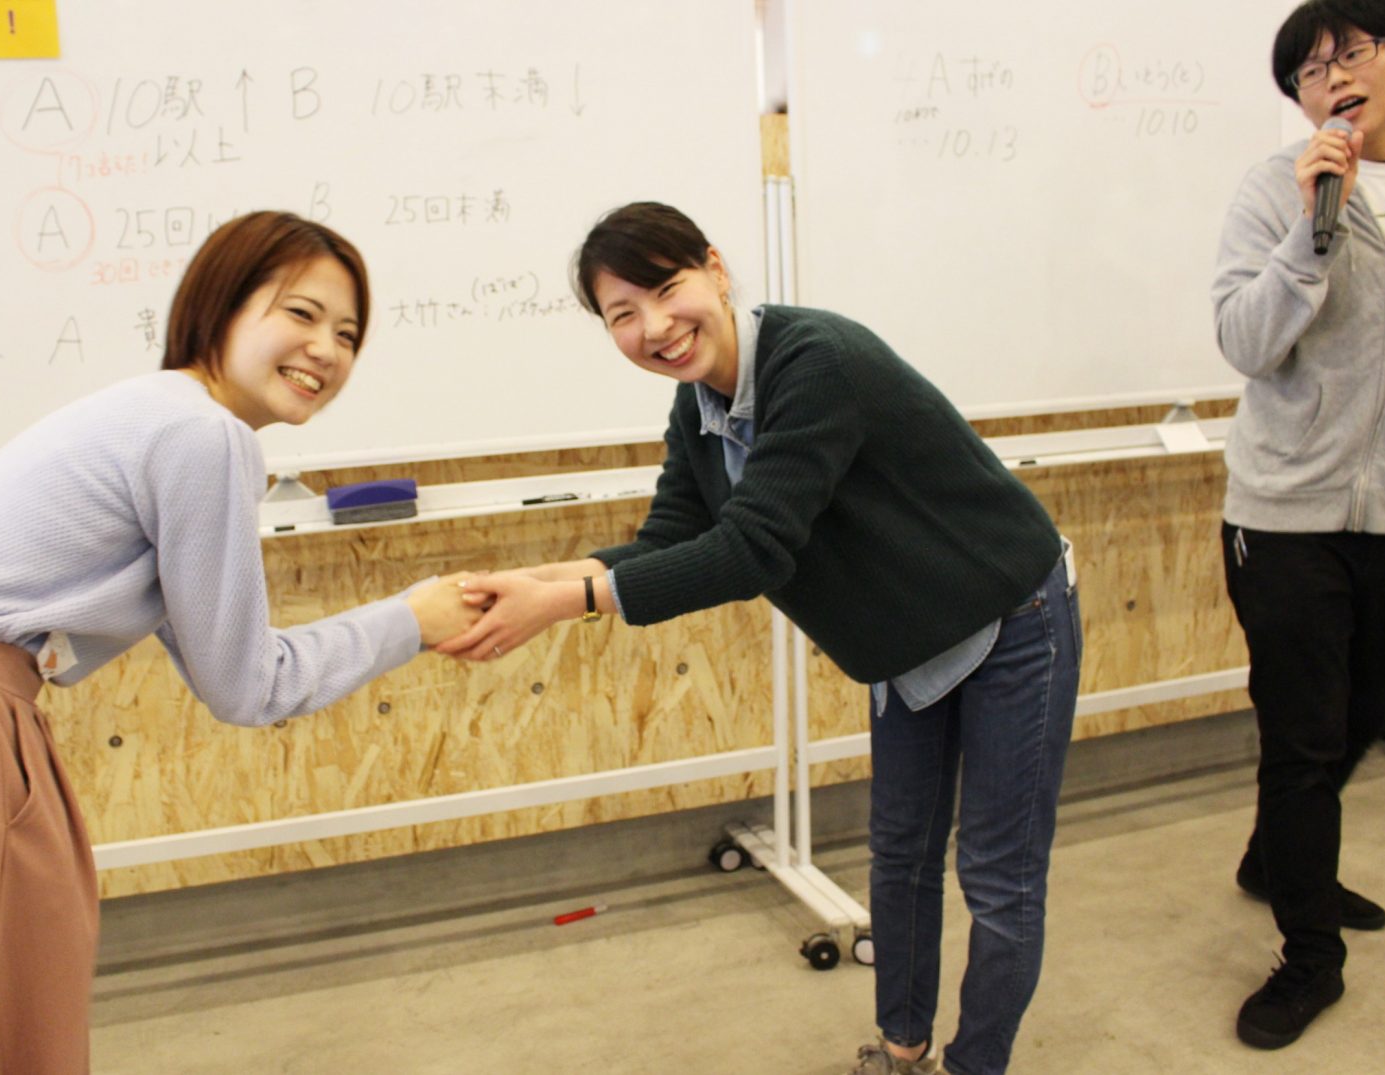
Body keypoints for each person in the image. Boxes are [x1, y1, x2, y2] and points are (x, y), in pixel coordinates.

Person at [0, 211, 481, 1074]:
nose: (327, 350)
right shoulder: (204, 435)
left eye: (348, 333)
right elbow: (249, 686)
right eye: (301, 314)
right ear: (220, 306)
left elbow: (220, 659)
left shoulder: (151, 415)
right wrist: (414, 618)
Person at [439, 202, 1082, 1075]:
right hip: (908, 640)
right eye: (622, 313)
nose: (655, 327)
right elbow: (671, 538)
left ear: (715, 269)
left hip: (1012, 615)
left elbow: (753, 548)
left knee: (999, 877)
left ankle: (977, 1066)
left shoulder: (816, 362)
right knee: (900, 855)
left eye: (666, 289)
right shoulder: (697, 404)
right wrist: (540, 580)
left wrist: (563, 604)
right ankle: (902, 1050)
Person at [1210, 0, 1385, 1051]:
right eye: (1310, 73)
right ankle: (1310, 952)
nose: (1334, 81)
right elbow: (1244, 341)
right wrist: (1312, 233)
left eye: (1351, 54)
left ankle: (1279, 859)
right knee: (1304, 739)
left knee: (1366, 709)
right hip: (1284, 517)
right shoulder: (1277, 189)